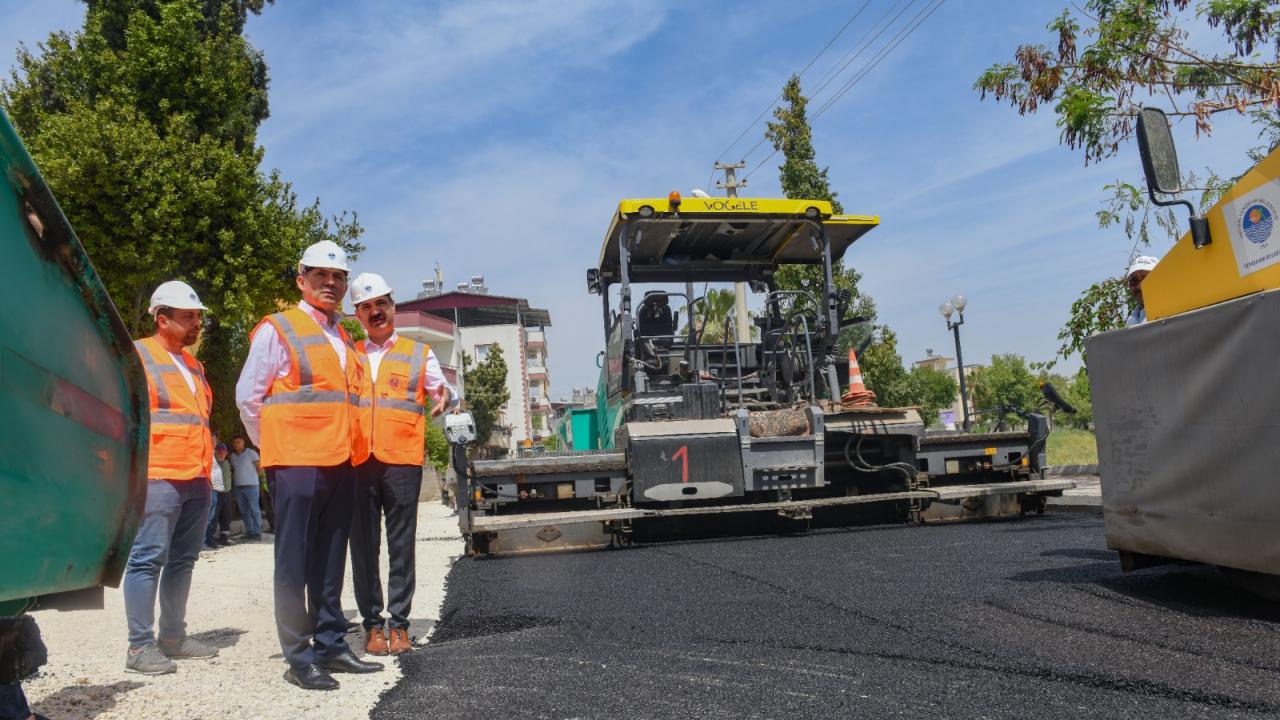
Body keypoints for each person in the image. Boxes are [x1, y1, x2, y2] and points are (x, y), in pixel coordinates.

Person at [235, 240, 382, 691]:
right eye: (321, 275)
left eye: (338, 277)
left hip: (340, 462)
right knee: (294, 563)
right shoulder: (278, 329)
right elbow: (248, 397)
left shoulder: (343, 338)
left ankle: (333, 644)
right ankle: (300, 656)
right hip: (295, 463)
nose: (331, 283)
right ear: (302, 280)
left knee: (329, 559)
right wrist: (276, 447)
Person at [347, 273, 457, 656]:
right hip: (358, 462)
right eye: (367, 307)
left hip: (402, 463)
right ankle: (373, 626)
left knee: (401, 547)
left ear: (393, 307)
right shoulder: (349, 356)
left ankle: (400, 624)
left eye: (382, 304)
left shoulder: (418, 353)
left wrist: (446, 396)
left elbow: (443, 390)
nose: (376, 312)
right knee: (362, 547)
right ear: (357, 314)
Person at [124, 281, 218, 675]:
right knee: (147, 559)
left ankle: (173, 638)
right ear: (162, 320)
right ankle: (139, 647)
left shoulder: (194, 366)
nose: (196, 324)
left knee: (183, 560)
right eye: (187, 318)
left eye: (197, 317)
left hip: (197, 475)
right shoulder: (138, 355)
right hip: (158, 474)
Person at [229, 437, 263, 540]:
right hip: (239, 487)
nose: (236, 444)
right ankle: (250, 532)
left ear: (243, 442)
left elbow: (260, 467)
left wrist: (253, 478)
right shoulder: (233, 456)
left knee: (255, 510)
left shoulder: (251, 453)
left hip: (251, 486)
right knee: (244, 511)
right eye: (234, 442)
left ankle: (257, 533)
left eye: (238, 442)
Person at [204, 443, 234, 550]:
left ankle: (224, 537)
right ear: (215, 452)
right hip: (215, 492)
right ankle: (209, 538)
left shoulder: (226, 463)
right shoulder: (212, 463)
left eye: (223, 452)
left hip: (226, 492)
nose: (221, 454)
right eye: (219, 452)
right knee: (213, 516)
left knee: (227, 515)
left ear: (226, 453)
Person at [1125, 255, 1158, 326]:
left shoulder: (1171, 312)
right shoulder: (1131, 320)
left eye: (1146, 279)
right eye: (1134, 280)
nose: (1139, 286)